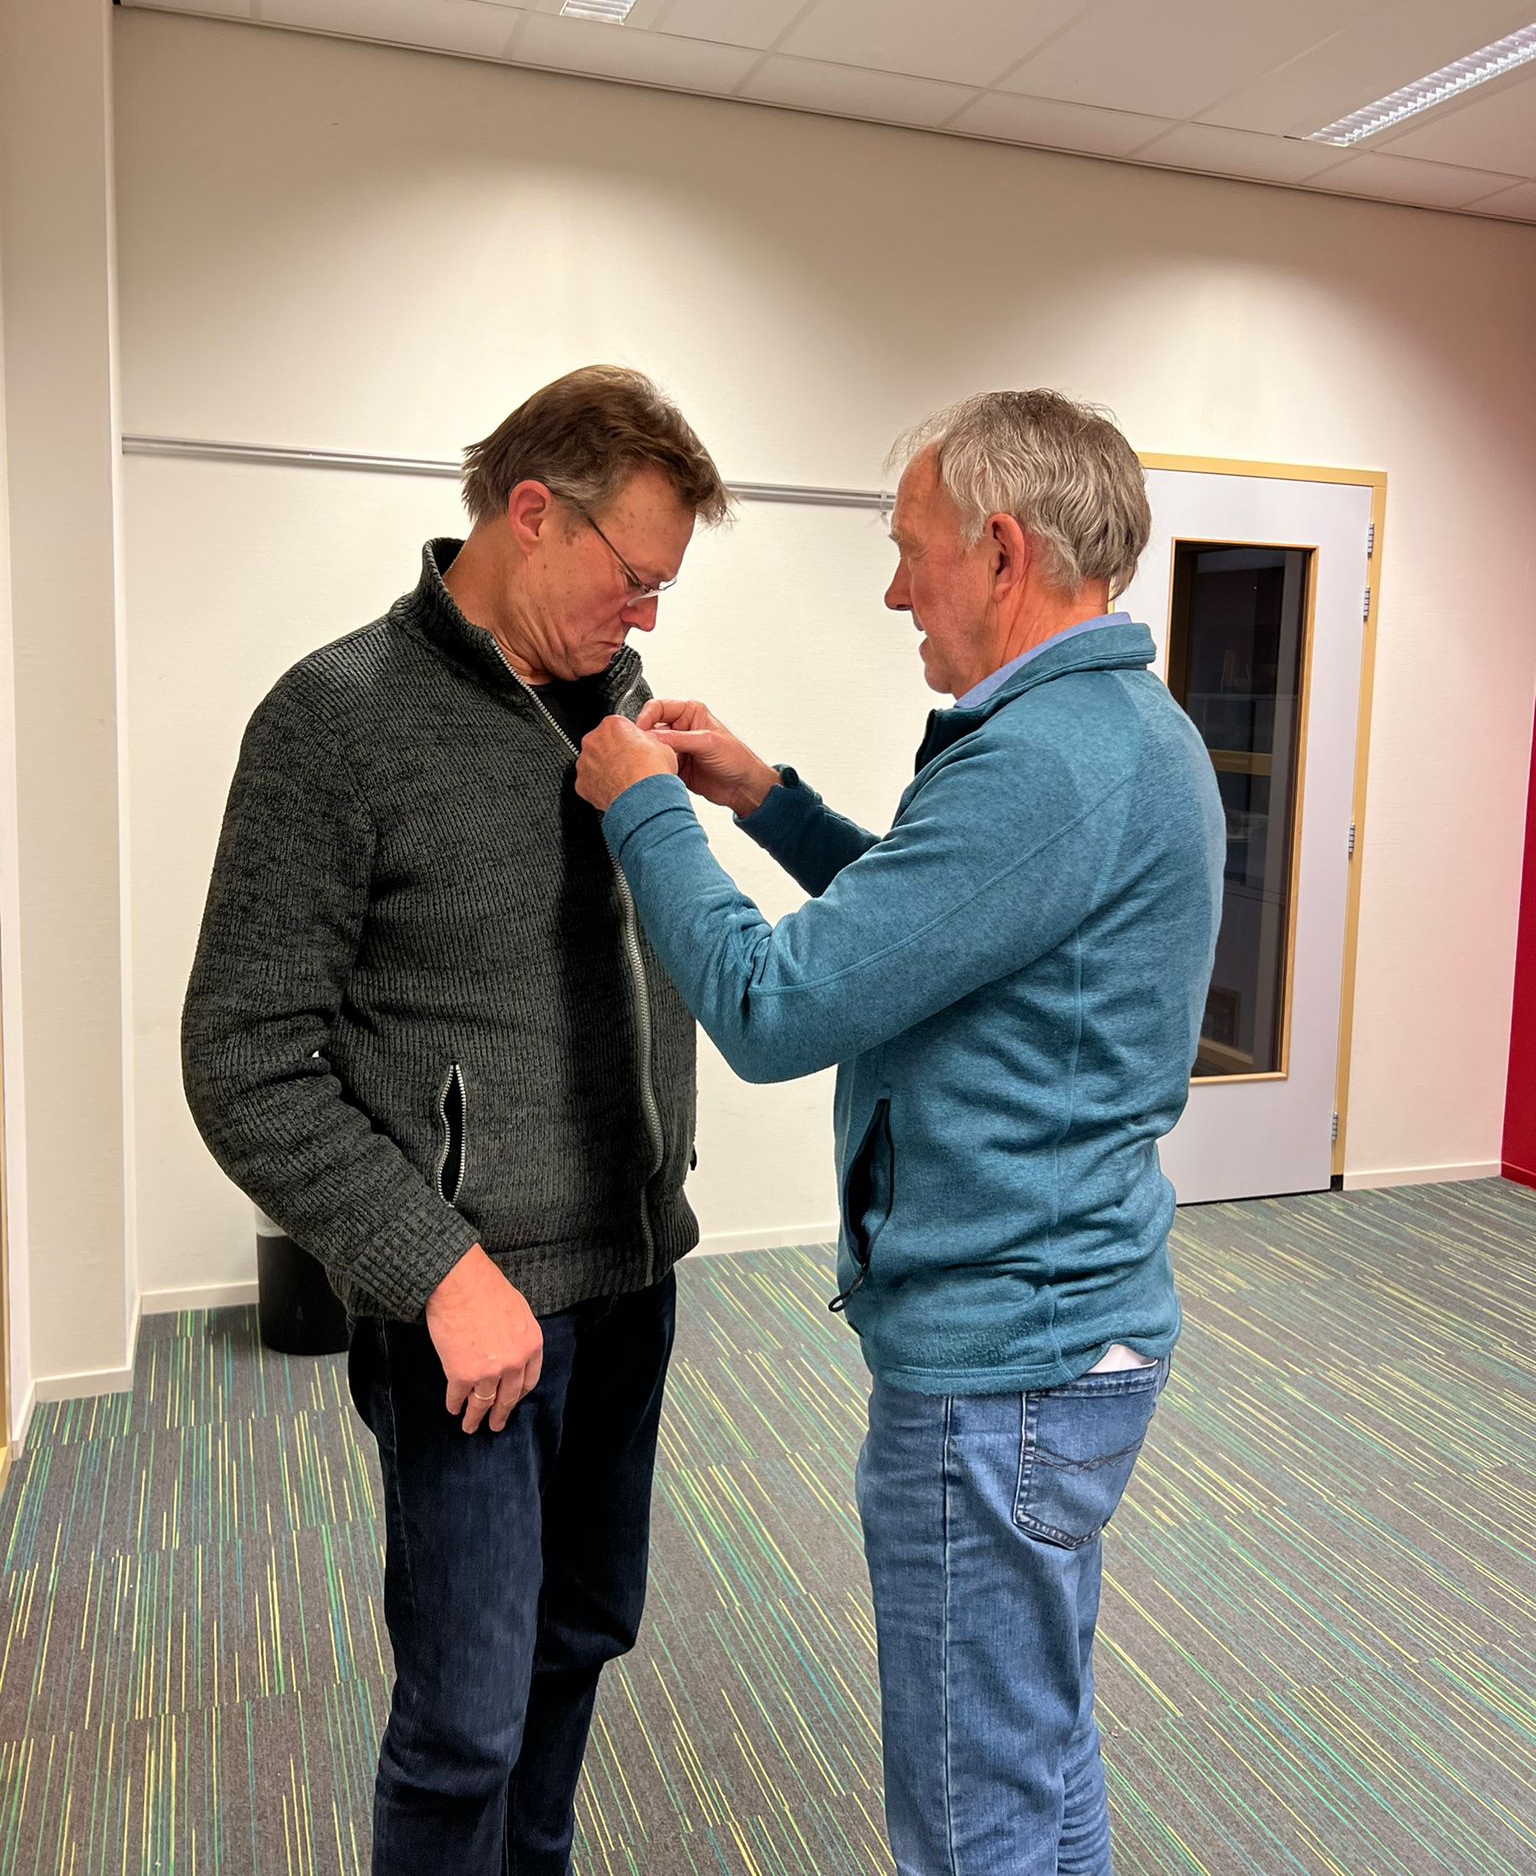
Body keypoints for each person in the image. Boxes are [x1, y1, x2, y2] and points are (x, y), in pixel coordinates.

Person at [574, 389, 1225, 1876]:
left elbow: (772, 1007)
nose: (892, 591)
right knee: (1036, 1749)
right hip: (1069, 1335)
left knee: (972, 1810)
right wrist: (766, 802)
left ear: (1000, 552)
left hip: (1005, 1367)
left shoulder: (1046, 762)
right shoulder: (1123, 729)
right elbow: (947, 928)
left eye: (908, 550)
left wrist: (645, 814)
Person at [182, 365, 730, 1876]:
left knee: (582, 1641)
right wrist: (434, 1268)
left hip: (631, 1279)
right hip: (471, 1318)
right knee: (465, 1721)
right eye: (634, 577)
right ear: (530, 514)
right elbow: (244, 1059)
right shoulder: (336, 721)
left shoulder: (623, 718)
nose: (647, 615)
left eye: (665, 589)